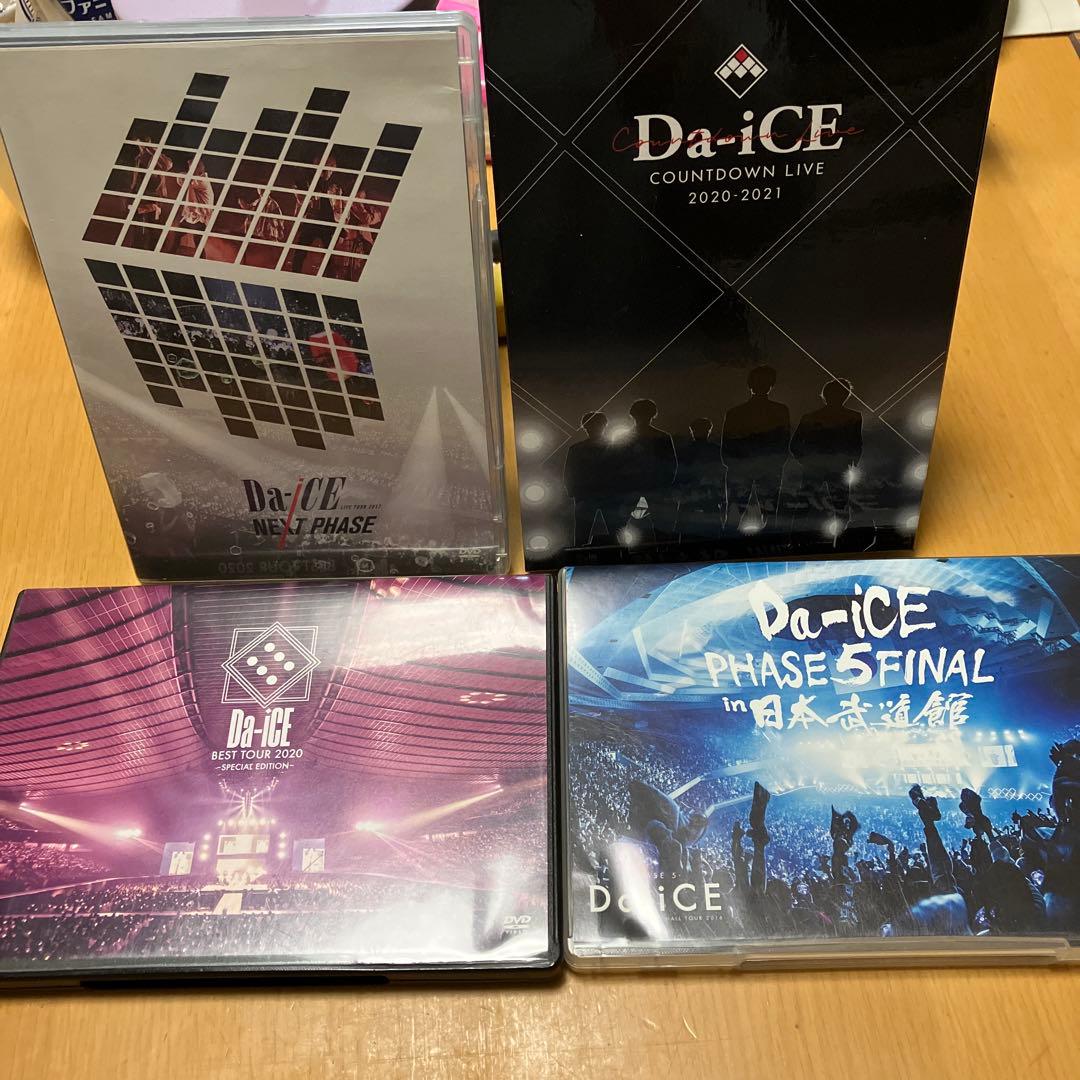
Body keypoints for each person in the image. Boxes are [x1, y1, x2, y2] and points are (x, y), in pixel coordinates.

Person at [721, 366, 790, 530]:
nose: (762, 384)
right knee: (768, 513)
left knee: (735, 513)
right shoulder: (780, 410)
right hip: (765, 467)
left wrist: (734, 464)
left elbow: (728, 444)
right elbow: (783, 441)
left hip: (745, 467)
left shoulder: (735, 412)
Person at [790, 379, 863, 527]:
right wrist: (853, 460)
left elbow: (795, 444)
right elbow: (856, 443)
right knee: (838, 505)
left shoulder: (811, 417)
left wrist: (805, 460)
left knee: (807, 504)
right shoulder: (853, 416)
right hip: (834, 466)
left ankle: (795, 535)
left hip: (822, 466)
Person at [607, 399, 678, 544]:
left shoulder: (624, 439)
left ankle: (620, 551)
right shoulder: (662, 437)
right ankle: (663, 551)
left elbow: (615, 465)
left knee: (621, 524)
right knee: (661, 525)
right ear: (653, 414)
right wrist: (667, 484)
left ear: (632, 415)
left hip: (632, 487)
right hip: (654, 486)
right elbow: (671, 465)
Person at [563, 412, 613, 546]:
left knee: (582, 531)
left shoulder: (576, 449)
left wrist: (573, 492)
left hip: (587, 495)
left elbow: (569, 473)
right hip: (607, 494)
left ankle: (579, 555)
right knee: (614, 530)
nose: (594, 428)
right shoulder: (614, 447)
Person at [675, 418, 726, 540]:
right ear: (708, 431)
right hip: (710, 491)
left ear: (692, 431)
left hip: (690, 492)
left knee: (685, 526)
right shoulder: (716, 450)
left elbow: (679, 474)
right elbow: (722, 473)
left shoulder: (684, 451)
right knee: (713, 525)